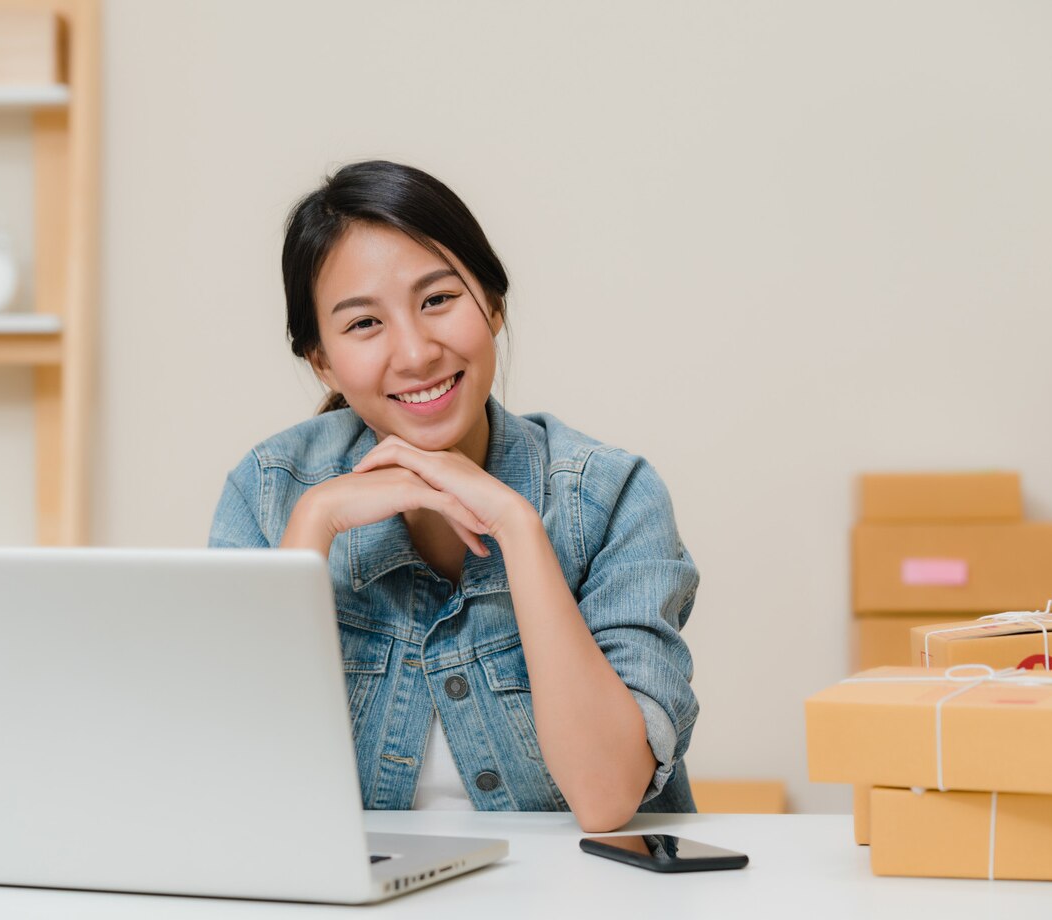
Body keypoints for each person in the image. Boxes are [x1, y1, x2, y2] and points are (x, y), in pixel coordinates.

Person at [209, 160, 699, 832]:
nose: (414, 354)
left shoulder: (611, 497)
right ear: (322, 360)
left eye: (437, 299)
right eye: (363, 325)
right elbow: (243, 786)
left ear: (492, 304)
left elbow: (607, 794)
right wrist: (314, 526)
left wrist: (518, 527)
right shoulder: (269, 490)